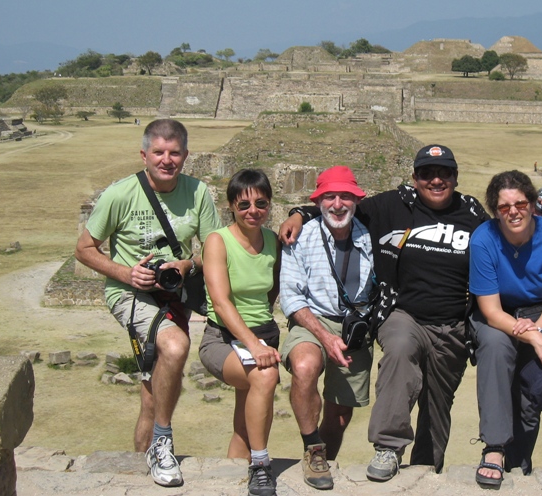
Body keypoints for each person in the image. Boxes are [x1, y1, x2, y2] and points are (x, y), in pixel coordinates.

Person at [279, 145, 490, 481]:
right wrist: (298, 214)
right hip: (402, 314)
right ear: (415, 178)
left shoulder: (473, 214)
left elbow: (500, 253)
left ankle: (424, 469)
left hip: (452, 324)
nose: (436, 180)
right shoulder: (392, 205)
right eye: (426, 173)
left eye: (444, 173)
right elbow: (336, 206)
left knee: (438, 404)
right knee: (400, 349)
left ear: (455, 177)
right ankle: (388, 446)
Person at [75, 119, 221, 487]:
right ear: (144, 155)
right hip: (129, 292)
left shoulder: (199, 193)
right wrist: (126, 273)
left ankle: (138, 470)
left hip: (174, 294)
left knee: (151, 396)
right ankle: (163, 441)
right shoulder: (120, 194)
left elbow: (211, 249)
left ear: (186, 156)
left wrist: (186, 263)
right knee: (175, 346)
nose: (166, 160)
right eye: (158, 152)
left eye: (174, 153)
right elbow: (83, 249)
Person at [469, 171, 542, 488]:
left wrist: (538, 330)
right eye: (504, 207)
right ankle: (495, 448)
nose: (513, 211)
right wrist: (532, 336)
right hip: (496, 315)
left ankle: (520, 459)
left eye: (520, 203)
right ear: (494, 210)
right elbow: (489, 310)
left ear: (531, 203)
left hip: (541, 313)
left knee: (540, 391)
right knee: (497, 348)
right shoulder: (484, 239)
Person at [279, 166, 375, 490]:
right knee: (305, 366)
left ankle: (323, 461)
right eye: (330, 196)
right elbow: (291, 296)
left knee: (339, 416)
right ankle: (312, 447)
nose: (337, 204)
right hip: (312, 320)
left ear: (356, 200)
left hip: (354, 326)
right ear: (318, 201)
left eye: (345, 196)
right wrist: (324, 335)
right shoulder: (300, 237)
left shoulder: (370, 236)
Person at [198, 169, 281, 496]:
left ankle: (230, 482)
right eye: (243, 204)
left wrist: (262, 339)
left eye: (261, 203)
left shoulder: (272, 240)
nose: (253, 211)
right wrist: (253, 344)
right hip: (223, 339)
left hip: (263, 336)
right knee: (264, 377)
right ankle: (260, 465)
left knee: (245, 429)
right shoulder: (218, 241)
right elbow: (220, 302)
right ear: (231, 205)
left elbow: (270, 290)